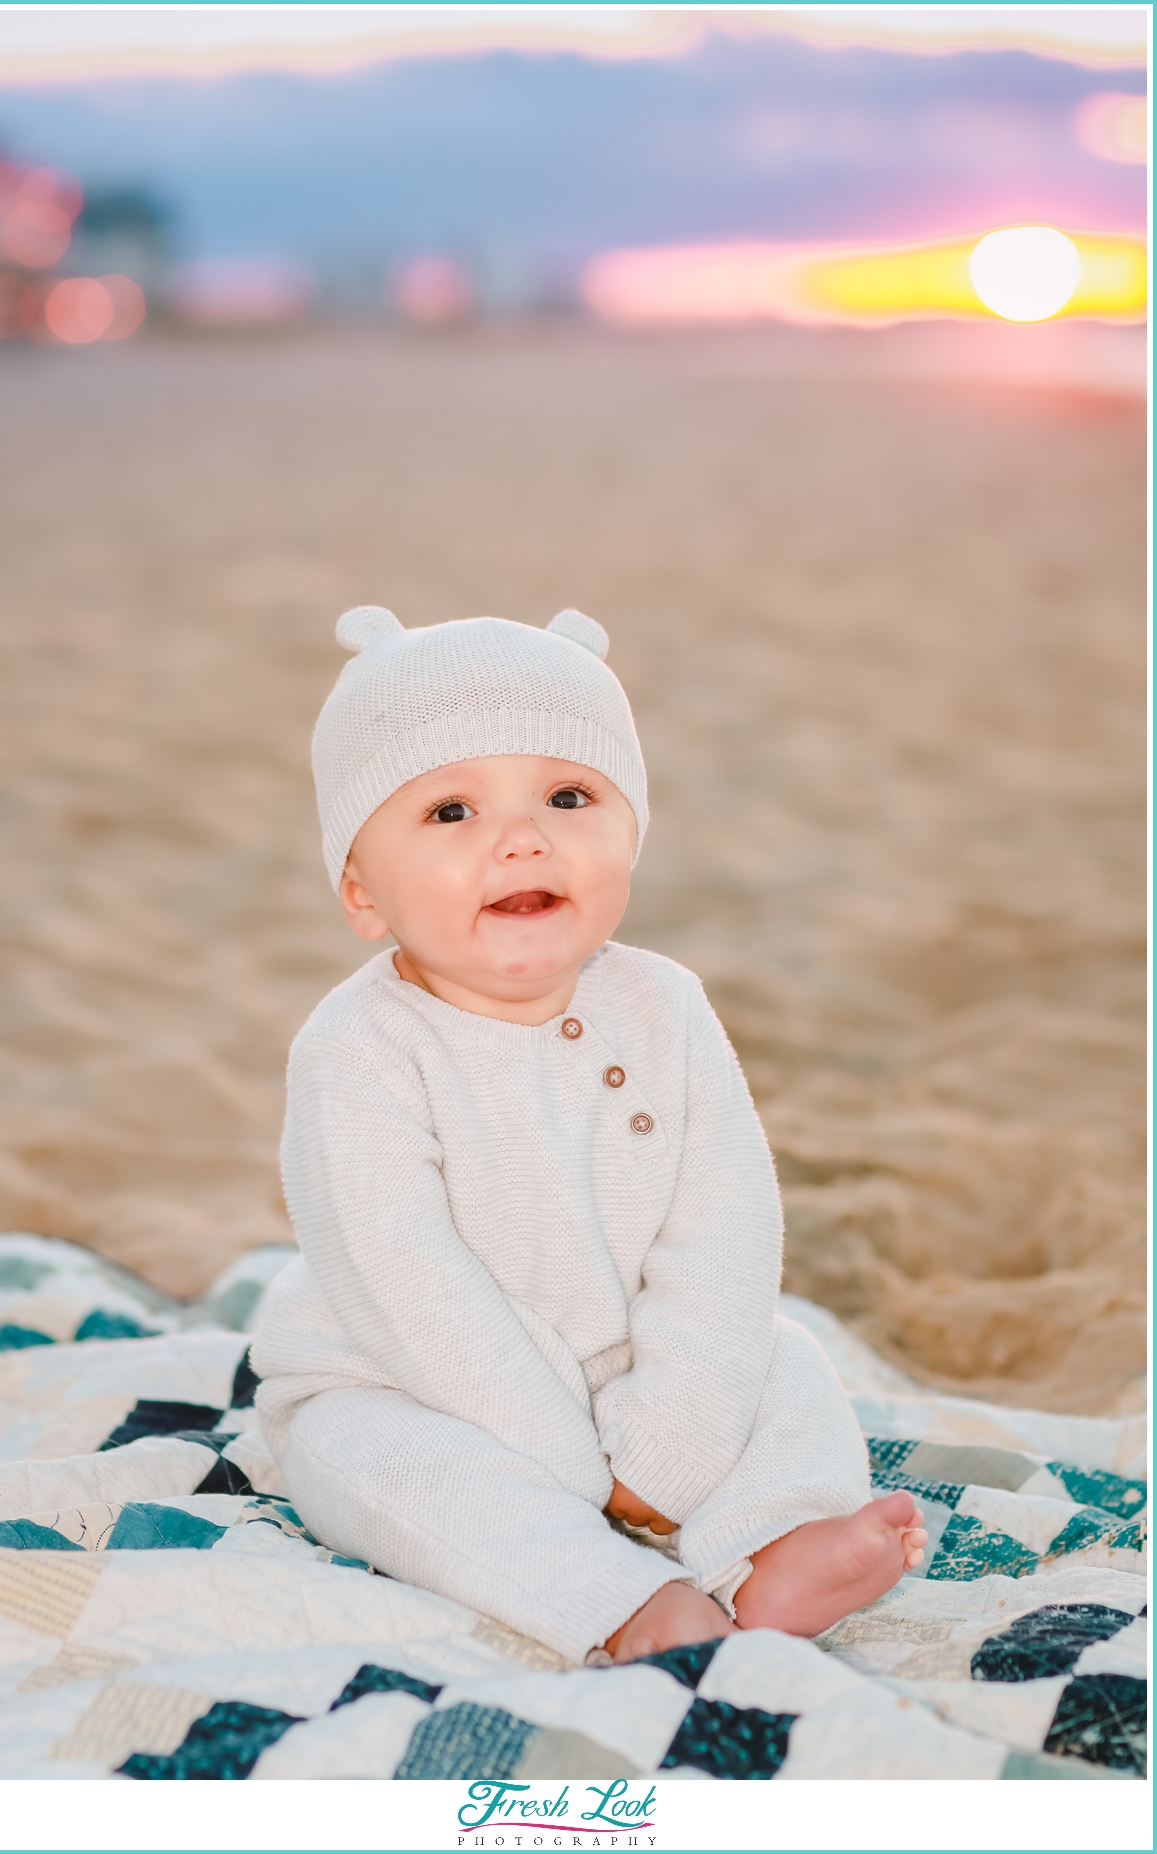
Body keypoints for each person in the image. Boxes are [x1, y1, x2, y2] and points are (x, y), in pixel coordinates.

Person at [251, 605, 926, 1665]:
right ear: (362, 894)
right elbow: (402, 1280)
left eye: (569, 796)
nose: (521, 838)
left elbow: (726, 1226)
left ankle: (770, 1548)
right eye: (450, 811)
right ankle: (618, 1600)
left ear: (631, 836)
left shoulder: (668, 1007)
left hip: (631, 1362)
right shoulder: (358, 1048)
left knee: (780, 1357)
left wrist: (674, 1432)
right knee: (364, 1464)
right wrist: (577, 1469)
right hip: (408, 1381)